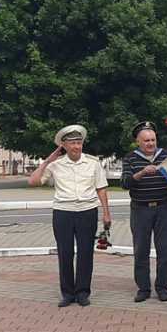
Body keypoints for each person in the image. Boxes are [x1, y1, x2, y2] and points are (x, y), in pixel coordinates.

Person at [29, 125, 111, 307]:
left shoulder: (93, 163)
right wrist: (46, 162)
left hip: (87, 211)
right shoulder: (55, 165)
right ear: (64, 146)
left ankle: (82, 292)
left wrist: (106, 213)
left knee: (85, 253)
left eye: (79, 143)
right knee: (65, 253)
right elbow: (33, 182)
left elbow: (101, 189)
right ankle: (67, 293)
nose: (76, 147)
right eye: (72, 143)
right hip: (63, 212)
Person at [121, 121, 167, 303]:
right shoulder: (130, 158)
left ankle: (162, 288)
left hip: (163, 208)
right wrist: (141, 174)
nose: (151, 143)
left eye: (153, 139)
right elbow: (124, 183)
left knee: (163, 250)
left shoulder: (166, 155)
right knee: (141, 251)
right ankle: (143, 289)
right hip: (140, 210)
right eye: (146, 140)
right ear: (138, 141)